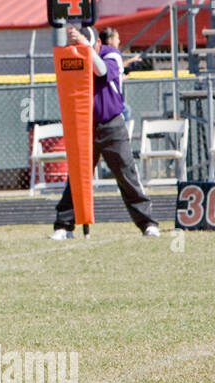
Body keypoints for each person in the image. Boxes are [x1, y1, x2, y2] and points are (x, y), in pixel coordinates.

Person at [51, 27, 161, 240]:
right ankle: (64, 225)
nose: (79, 51)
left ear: (97, 45)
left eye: (86, 47)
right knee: (76, 177)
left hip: (111, 125)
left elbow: (101, 71)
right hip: (83, 127)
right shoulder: (74, 55)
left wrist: (85, 46)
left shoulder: (111, 54)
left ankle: (147, 223)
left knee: (126, 173)